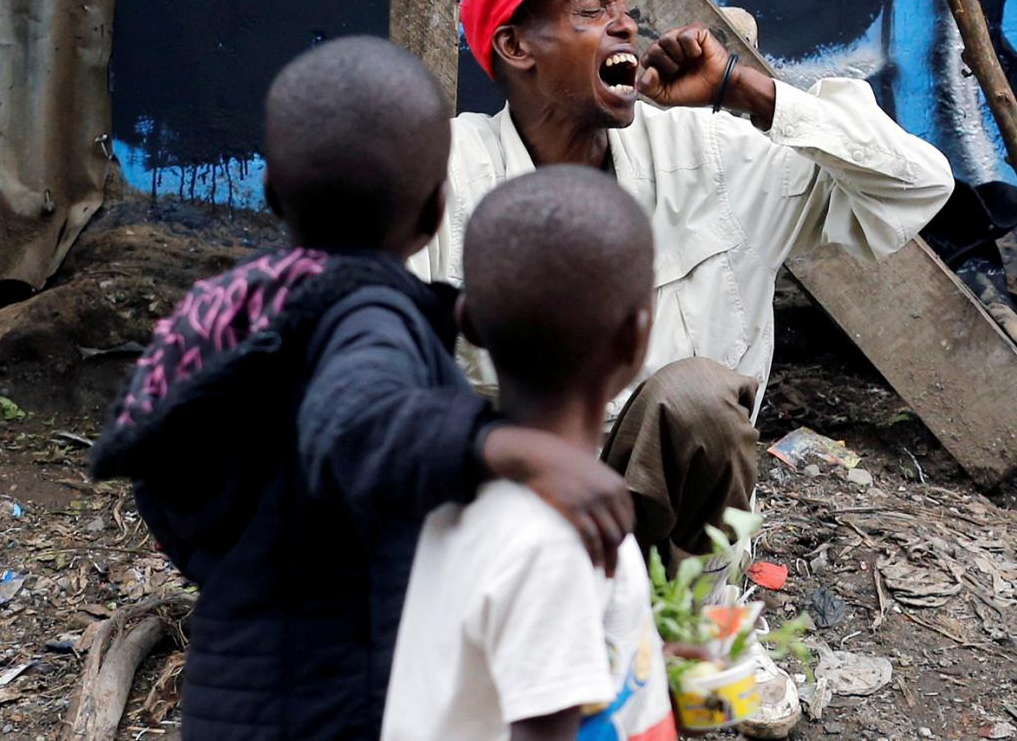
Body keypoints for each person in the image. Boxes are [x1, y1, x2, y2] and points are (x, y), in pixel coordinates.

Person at [408, 0, 955, 737]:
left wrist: (746, 89)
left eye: (627, 10)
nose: (626, 27)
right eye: (594, 10)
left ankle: (697, 631)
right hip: (515, 537)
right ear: (515, 47)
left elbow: (917, 186)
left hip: (674, 540)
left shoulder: (706, 150)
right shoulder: (449, 177)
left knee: (696, 398)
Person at [88, 36, 634, 741]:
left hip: (236, 680)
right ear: (438, 209)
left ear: (271, 193)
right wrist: (502, 445)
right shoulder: (366, 316)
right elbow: (353, 422)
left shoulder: (247, 312)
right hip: (338, 697)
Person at [384, 166, 677, 741]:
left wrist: (645, 680)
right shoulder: (557, 541)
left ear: (468, 321)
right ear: (637, 336)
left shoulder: (454, 484)